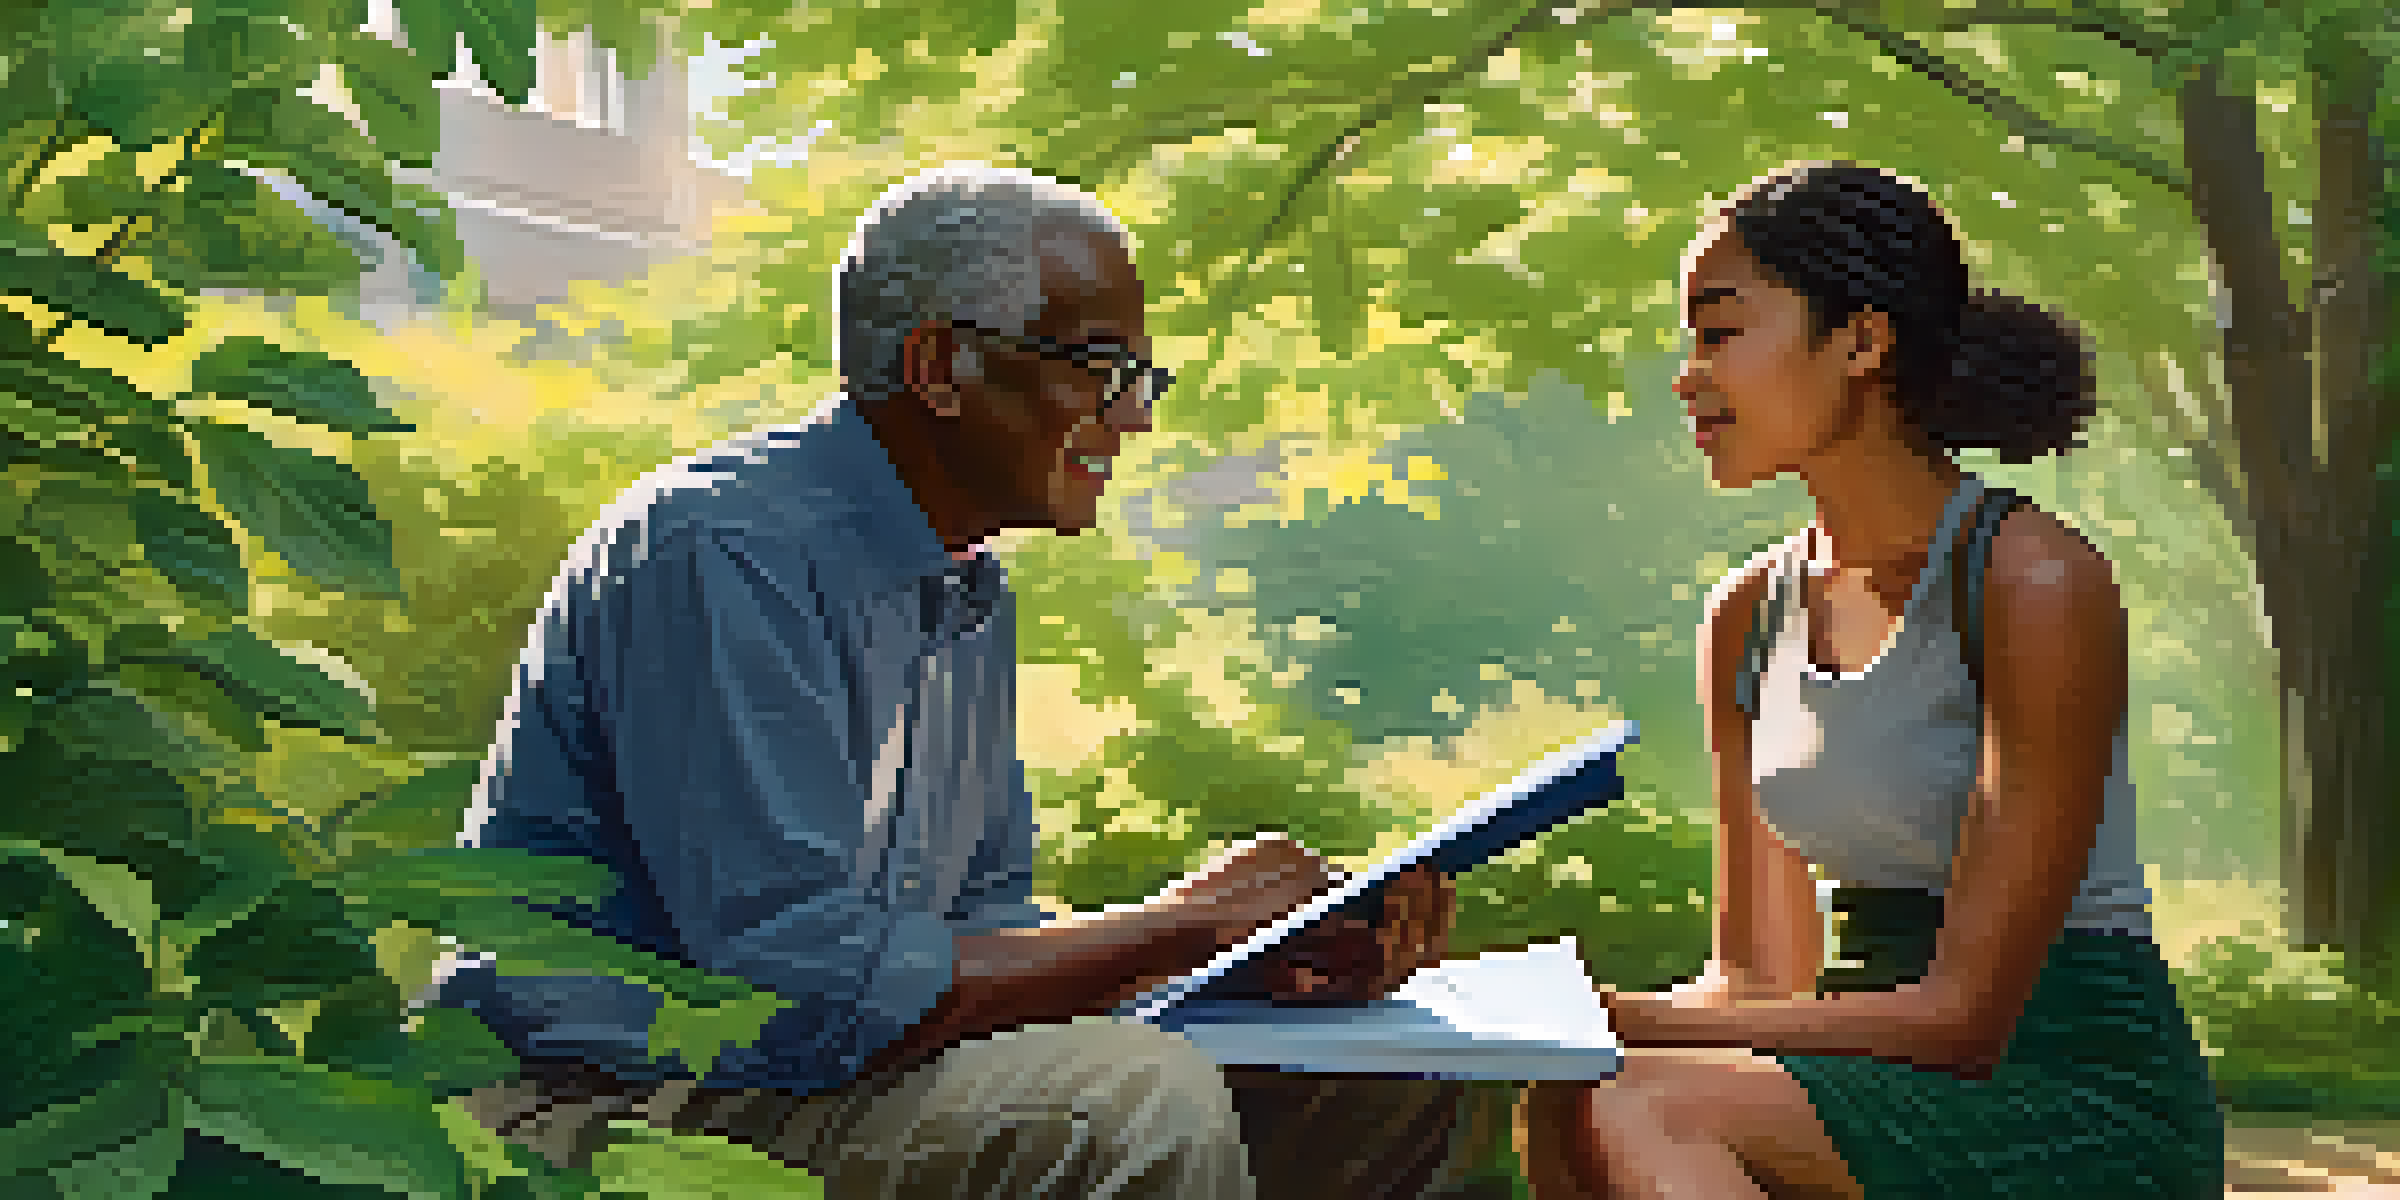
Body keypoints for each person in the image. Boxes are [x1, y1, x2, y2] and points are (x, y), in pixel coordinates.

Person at [422, 164, 1476, 1199]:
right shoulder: (720, 552)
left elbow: (981, 927)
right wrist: (1189, 922)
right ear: (940, 366)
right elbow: (792, 993)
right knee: (1129, 1102)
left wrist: (1246, 951)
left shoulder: (966, 587)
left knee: (1378, 1070)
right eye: (1102, 368)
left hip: (808, 1081)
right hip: (596, 1105)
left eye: (1141, 379)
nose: (1136, 419)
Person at [1515, 162, 2224, 1198]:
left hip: (2070, 1089)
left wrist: (1613, 1017)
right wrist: (1542, 1025)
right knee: (1567, 1097)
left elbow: (1963, 1022)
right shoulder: (1749, 616)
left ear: (1861, 340)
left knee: (1635, 1095)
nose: (1689, 374)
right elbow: (1756, 977)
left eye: (1720, 334)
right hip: (1859, 1070)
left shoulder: (2031, 582)